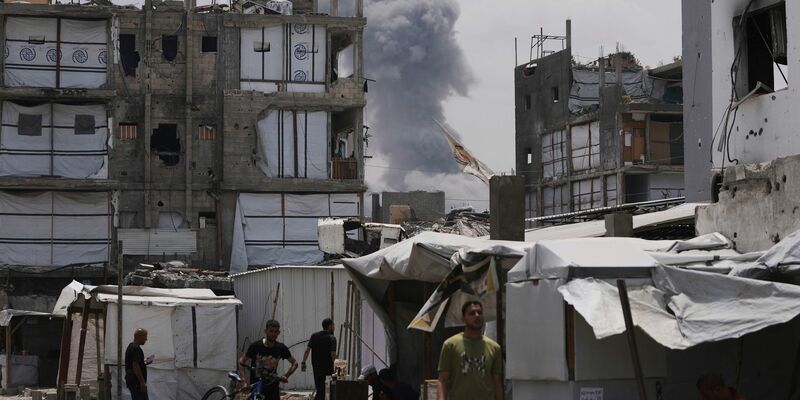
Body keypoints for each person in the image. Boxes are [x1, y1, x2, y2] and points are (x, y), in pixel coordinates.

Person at [437, 300, 502, 400]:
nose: (477, 316)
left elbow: (497, 382)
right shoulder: (450, 345)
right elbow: (443, 380)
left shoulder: (494, 348)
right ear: (463, 318)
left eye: (479, 313)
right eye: (472, 313)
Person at [239, 319, 298, 400]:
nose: (273, 334)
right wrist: (244, 381)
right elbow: (242, 361)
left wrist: (286, 376)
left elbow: (294, 363)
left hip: (273, 387)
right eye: (271, 331)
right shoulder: (256, 346)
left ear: (279, 333)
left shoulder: (281, 348)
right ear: (265, 331)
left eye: (275, 331)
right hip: (257, 387)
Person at [301, 318, 338, 400]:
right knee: (327, 390)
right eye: (333, 325)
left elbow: (307, 350)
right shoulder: (331, 338)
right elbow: (333, 354)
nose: (334, 327)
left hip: (316, 368)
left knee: (320, 388)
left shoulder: (314, 336)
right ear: (330, 326)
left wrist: (303, 362)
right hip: (327, 369)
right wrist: (338, 366)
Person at [125, 328, 153, 400]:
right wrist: (142, 382)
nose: (146, 339)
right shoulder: (136, 349)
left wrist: (144, 362)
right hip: (136, 381)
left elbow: (134, 363)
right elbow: (135, 365)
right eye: (145, 337)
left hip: (132, 381)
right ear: (139, 336)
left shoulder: (130, 346)